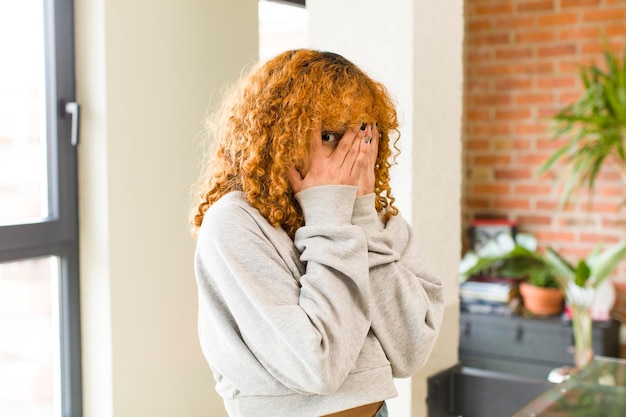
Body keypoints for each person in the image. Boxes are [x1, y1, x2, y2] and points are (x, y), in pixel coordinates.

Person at [189, 49, 444, 417]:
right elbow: (317, 366)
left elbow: (410, 351)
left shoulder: (374, 217)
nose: (350, 157)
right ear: (280, 135)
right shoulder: (234, 222)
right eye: (328, 136)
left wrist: (360, 217)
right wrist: (329, 216)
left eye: (361, 137)